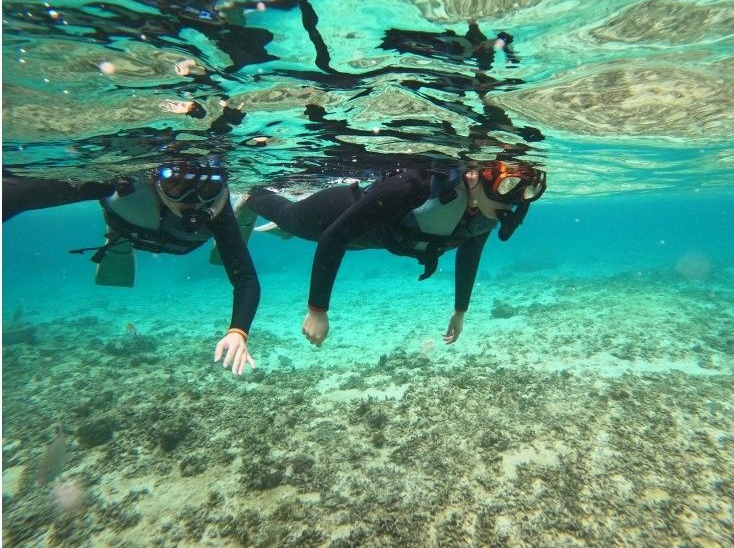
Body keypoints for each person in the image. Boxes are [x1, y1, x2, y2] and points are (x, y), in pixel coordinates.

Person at [244, 160, 546, 347]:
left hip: (377, 238)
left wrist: (460, 311)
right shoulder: (416, 184)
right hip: (342, 217)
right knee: (290, 217)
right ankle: (253, 196)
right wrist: (317, 310)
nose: (513, 200)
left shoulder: (487, 214)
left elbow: (470, 253)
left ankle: (283, 229)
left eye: (523, 191)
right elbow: (334, 237)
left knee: (296, 228)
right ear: (472, 175)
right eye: (505, 184)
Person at [2, 159, 260, 376]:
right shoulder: (122, 184)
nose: (191, 200)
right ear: (156, 181)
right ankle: (116, 238)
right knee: (119, 215)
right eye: (176, 185)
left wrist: (238, 332)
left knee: (229, 237)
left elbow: (246, 279)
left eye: (208, 188)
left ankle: (238, 220)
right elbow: (23, 194)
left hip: (188, 241)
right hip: (131, 227)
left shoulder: (217, 210)